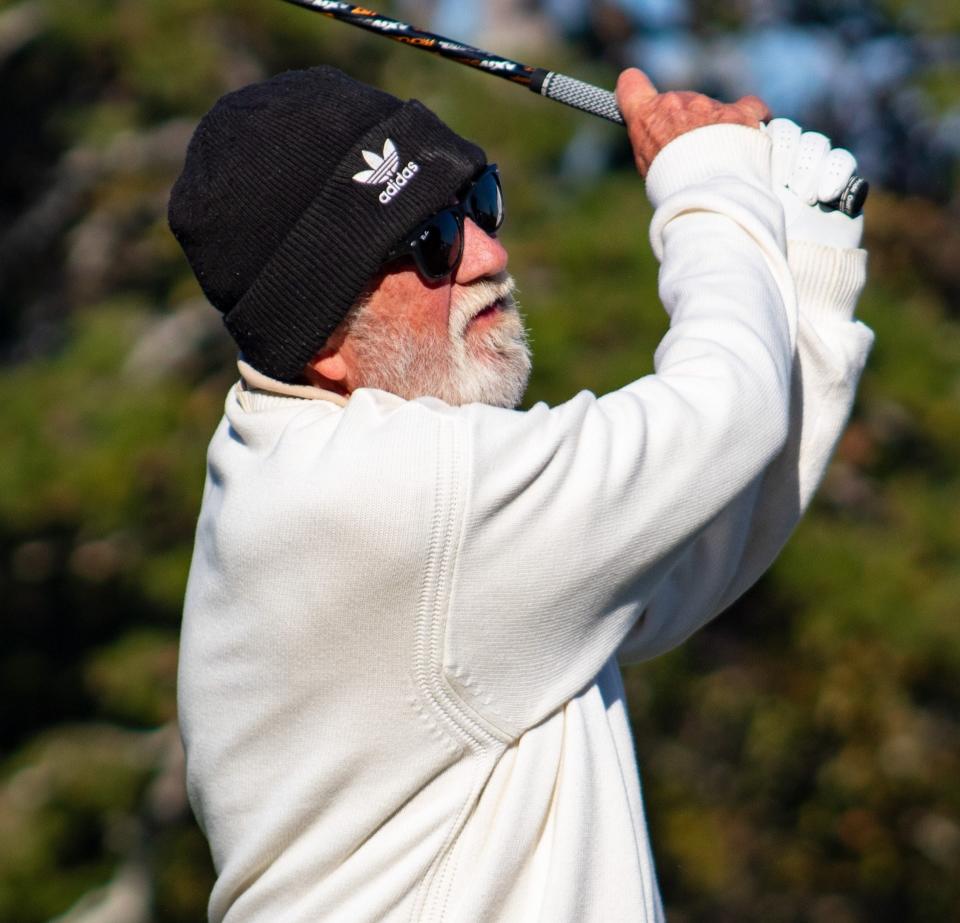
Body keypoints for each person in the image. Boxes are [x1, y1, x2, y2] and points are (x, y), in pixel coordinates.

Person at [169, 64, 873, 922]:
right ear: (322, 340)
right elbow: (724, 415)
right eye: (429, 243)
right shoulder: (387, 500)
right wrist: (708, 182)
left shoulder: (292, 462)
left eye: (478, 202)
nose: (489, 255)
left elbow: (686, 546)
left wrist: (807, 273)